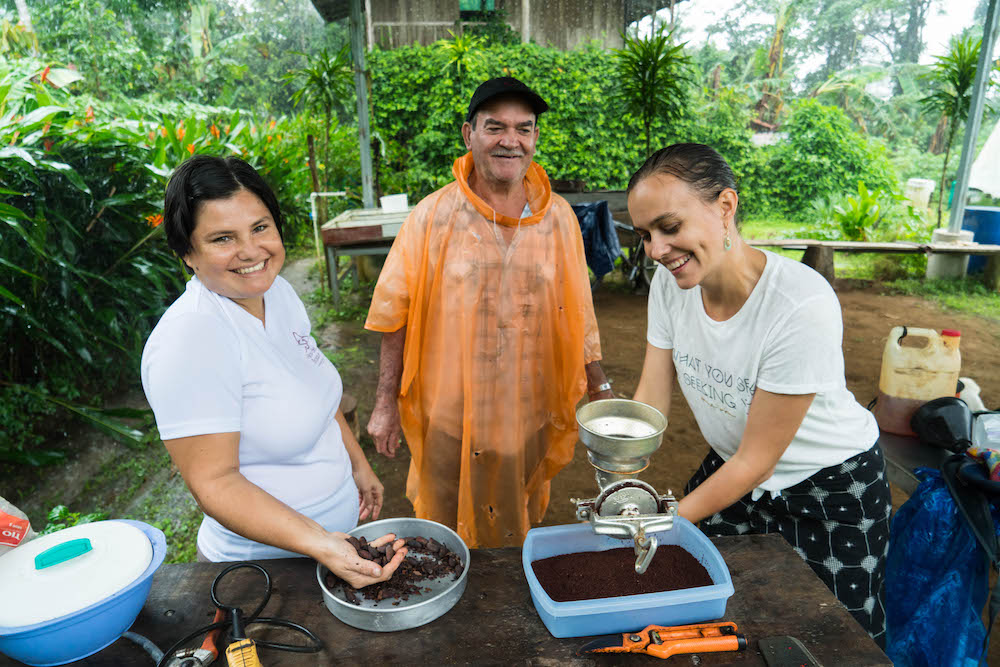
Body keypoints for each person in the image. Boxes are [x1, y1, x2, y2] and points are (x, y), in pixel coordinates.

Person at [628, 143, 892, 646]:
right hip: (731, 468)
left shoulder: (799, 304)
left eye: (670, 227)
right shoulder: (671, 287)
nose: (657, 251)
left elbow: (758, 462)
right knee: (715, 619)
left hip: (829, 487)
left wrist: (659, 521)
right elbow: (652, 397)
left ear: (725, 206)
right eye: (645, 236)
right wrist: (621, 470)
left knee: (832, 638)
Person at [364, 77, 614, 548]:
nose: (510, 140)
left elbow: (578, 310)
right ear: (469, 134)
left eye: (524, 129)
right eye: (495, 127)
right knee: (441, 525)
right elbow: (392, 314)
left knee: (516, 515)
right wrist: (384, 404)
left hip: (529, 409)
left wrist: (598, 385)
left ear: (535, 138)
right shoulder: (432, 216)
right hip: (448, 410)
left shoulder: (557, 218)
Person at [141, 155, 405, 588]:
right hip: (263, 572)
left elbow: (315, 388)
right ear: (187, 252)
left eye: (260, 227)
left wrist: (357, 465)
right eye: (223, 238)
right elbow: (215, 482)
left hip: (332, 547)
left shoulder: (276, 293)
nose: (250, 252)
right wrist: (321, 543)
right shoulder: (190, 338)